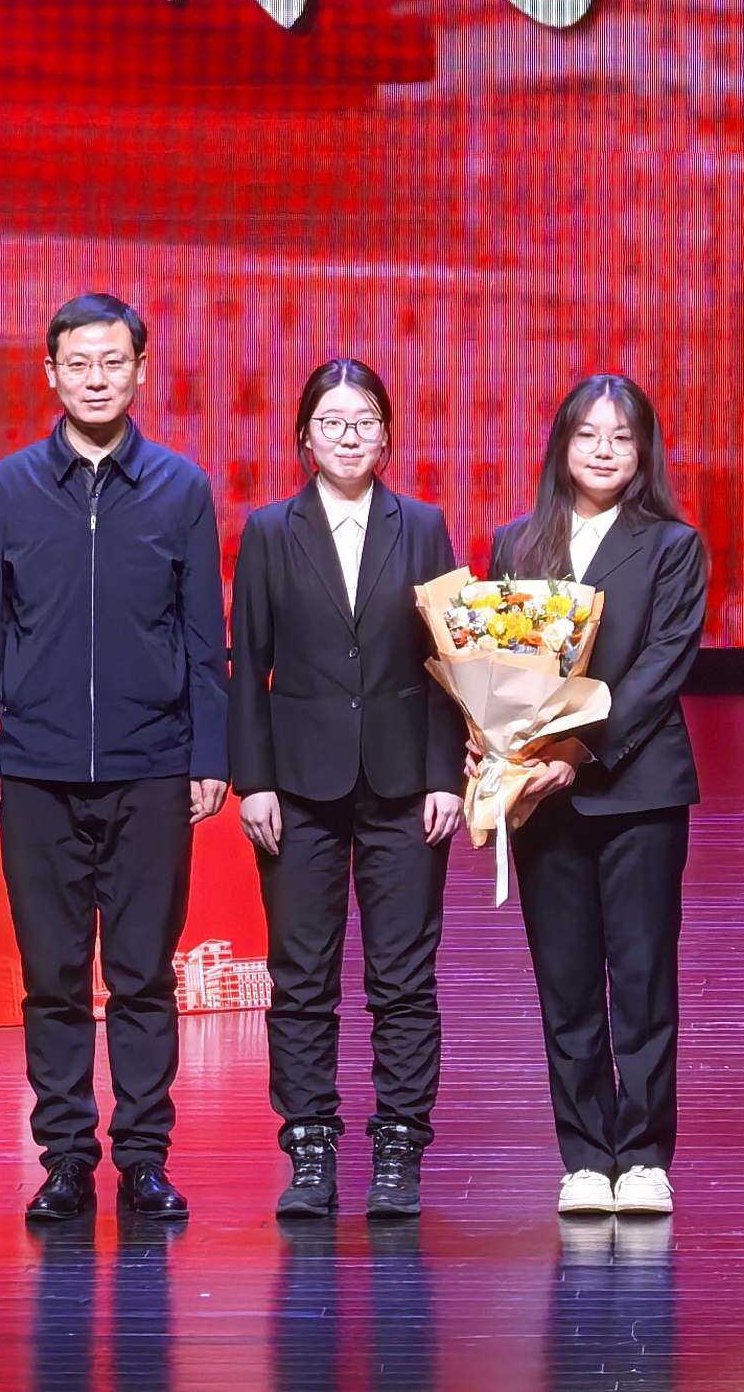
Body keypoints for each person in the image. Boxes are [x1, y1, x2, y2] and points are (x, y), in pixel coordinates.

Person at [0, 291, 228, 1229]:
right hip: (34, 768)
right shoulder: (8, 488)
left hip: (151, 765)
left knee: (145, 974)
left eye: (114, 362)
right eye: (79, 363)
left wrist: (208, 752)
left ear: (141, 371)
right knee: (53, 976)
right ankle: (66, 1159)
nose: (97, 379)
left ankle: (144, 1159)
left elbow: (204, 639)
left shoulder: (181, 489)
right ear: (51, 374)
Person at [228, 358, 463, 1224]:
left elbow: (449, 657)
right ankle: (309, 1146)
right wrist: (253, 781)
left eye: (364, 421)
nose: (349, 436)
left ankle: (398, 1145)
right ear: (304, 438)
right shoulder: (269, 530)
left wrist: (444, 774)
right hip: (298, 785)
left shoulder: (422, 525)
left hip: (404, 783)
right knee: (301, 975)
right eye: (331, 422)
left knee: (403, 976)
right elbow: (247, 666)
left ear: (387, 436)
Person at [487, 372, 708, 1221]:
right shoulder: (517, 543)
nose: (605, 450)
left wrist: (577, 750)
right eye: (588, 435)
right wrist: (496, 740)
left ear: (643, 451)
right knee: (565, 979)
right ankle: (583, 1156)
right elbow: (493, 664)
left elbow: (660, 668)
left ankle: (644, 1156)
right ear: (562, 446)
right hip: (541, 795)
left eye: (622, 436)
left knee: (643, 977)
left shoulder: (671, 545)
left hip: (637, 789)